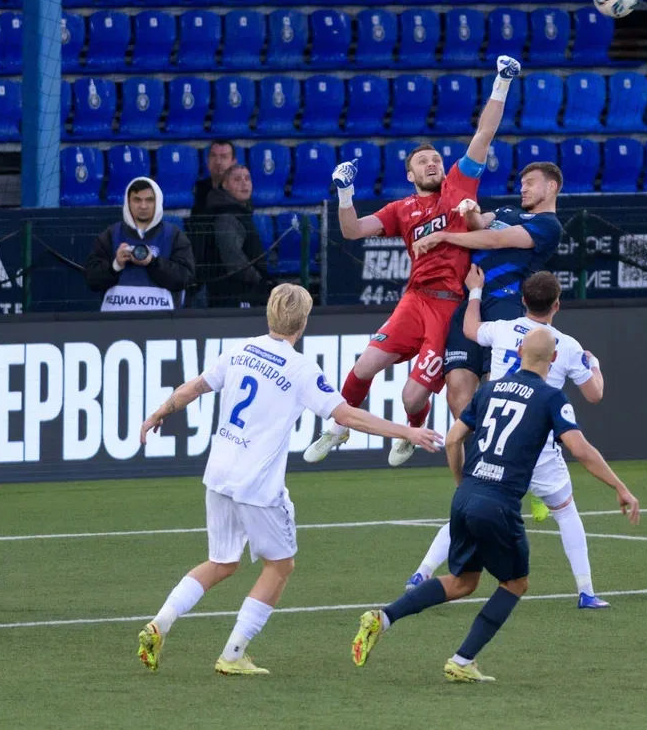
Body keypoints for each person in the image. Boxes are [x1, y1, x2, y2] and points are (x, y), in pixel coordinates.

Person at [134, 284, 441, 676]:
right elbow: (346, 415)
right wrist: (407, 431)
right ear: (303, 323)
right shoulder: (300, 369)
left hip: (219, 473)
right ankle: (233, 654)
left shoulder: (240, 350)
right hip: (257, 485)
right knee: (280, 567)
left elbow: (194, 387)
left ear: (269, 314)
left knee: (221, 562)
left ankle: (160, 622)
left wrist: (159, 412)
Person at [351, 328, 639, 683]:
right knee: (516, 583)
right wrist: (619, 486)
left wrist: (462, 483)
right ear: (553, 359)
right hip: (499, 503)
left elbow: (453, 439)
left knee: (463, 582)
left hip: (467, 495)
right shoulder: (551, 397)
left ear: (518, 353)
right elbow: (580, 449)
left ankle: (383, 618)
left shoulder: (488, 389)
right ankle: (462, 660)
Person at [304, 56, 522, 468]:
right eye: (423, 161)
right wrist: (345, 193)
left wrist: (502, 81)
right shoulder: (401, 209)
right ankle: (338, 427)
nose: (432, 163)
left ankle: (412, 428)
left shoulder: (458, 185)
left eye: (435, 158)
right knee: (364, 366)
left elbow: (484, 133)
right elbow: (352, 231)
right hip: (415, 299)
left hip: (448, 307)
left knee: (411, 396)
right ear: (410, 175)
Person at [405, 269, 617, 609]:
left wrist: (475, 291)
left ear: (522, 301)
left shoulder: (503, 328)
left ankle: (421, 573)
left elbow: (470, 330)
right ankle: (586, 591)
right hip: (538, 446)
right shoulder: (566, 345)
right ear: (557, 304)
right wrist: (595, 365)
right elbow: (595, 394)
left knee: (471, 506)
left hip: (496, 441)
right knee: (565, 512)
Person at [412, 162, 565, 423]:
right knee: (457, 387)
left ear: (551, 187)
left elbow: (496, 240)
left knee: (496, 384)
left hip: (505, 304)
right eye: (522, 183)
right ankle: (472, 447)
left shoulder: (549, 225)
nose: (523, 189)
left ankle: (494, 443)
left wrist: (443, 236)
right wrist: (471, 210)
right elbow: (479, 224)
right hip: (470, 300)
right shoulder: (506, 211)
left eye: (530, 183)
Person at [85, 176, 196, 312]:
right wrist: (115, 265)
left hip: (162, 321)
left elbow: (185, 278)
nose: (143, 206)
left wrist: (153, 262)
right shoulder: (110, 235)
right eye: (137, 200)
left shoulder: (174, 235)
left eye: (149, 200)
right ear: (128, 202)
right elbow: (92, 280)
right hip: (115, 321)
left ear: (158, 201)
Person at [201, 165, 275, 308]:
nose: (244, 183)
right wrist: (259, 280)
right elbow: (234, 261)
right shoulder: (226, 217)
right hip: (233, 295)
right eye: (237, 179)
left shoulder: (240, 212)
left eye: (247, 178)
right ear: (225, 185)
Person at [191, 140, 238, 217]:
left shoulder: (240, 188)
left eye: (224, 157)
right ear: (207, 160)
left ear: (233, 162)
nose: (218, 162)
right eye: (213, 156)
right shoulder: (200, 187)